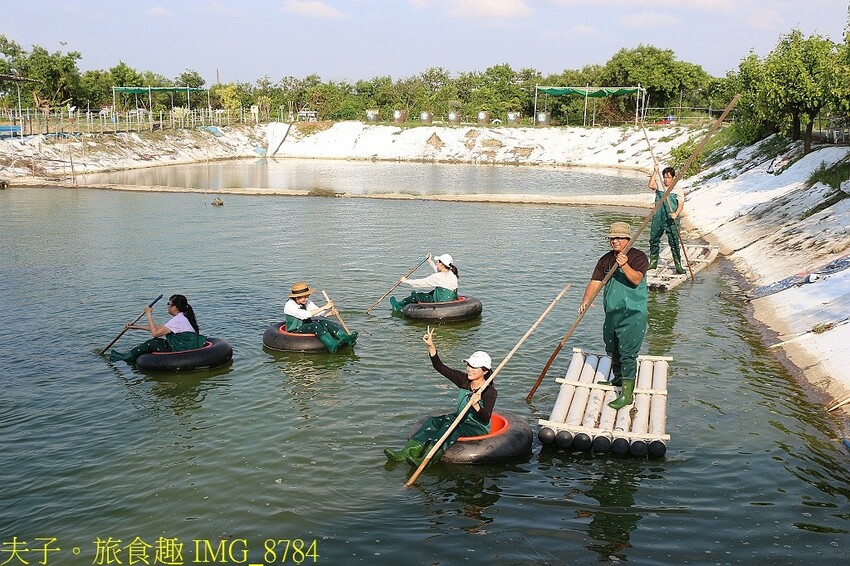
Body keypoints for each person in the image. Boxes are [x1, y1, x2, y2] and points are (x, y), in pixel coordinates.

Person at [384, 326, 497, 468]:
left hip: (476, 426)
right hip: (459, 418)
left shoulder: (489, 392)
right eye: (468, 365)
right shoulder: (463, 380)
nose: (469, 369)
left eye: (474, 367)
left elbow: (486, 417)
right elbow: (440, 367)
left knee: (452, 427)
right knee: (433, 422)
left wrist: (475, 405)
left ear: (485, 371)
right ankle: (406, 452)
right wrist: (431, 347)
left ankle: (428, 459)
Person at [578, 222, 648, 409]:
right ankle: (617, 379)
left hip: (633, 313)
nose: (615, 241)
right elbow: (595, 282)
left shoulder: (638, 257)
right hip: (612, 311)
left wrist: (624, 265)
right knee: (612, 346)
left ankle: (627, 394)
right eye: (612, 238)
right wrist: (586, 299)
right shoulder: (605, 260)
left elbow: (636, 280)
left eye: (619, 238)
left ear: (628, 239)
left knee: (628, 352)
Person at [110, 294, 206, 364]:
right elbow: (160, 328)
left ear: (175, 307)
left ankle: (127, 358)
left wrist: (148, 314)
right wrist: (135, 327)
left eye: (169, 304)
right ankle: (127, 355)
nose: (167, 306)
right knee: (157, 341)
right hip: (181, 346)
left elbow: (155, 333)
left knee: (152, 342)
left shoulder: (178, 320)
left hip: (182, 350)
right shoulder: (181, 318)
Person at [284, 281, 357, 353]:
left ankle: (345, 337)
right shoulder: (289, 306)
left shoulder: (306, 301)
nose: (307, 299)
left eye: (307, 296)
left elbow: (316, 311)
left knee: (324, 322)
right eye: (304, 297)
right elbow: (305, 315)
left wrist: (329, 313)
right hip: (295, 329)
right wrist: (324, 307)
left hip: (305, 324)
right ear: (297, 298)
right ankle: (331, 345)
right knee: (315, 326)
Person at [648, 165, 686, 274]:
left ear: (673, 178)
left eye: (668, 177)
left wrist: (676, 213)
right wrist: (655, 172)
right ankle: (653, 262)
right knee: (654, 238)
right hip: (659, 216)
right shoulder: (660, 185)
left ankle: (678, 264)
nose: (666, 179)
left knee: (674, 240)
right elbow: (650, 185)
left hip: (671, 217)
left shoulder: (678, 189)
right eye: (664, 177)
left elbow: (681, 204)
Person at [390, 253, 459, 312]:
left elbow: (422, 282)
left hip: (441, 302)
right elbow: (438, 272)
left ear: (441, 265)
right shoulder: (452, 274)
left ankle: (398, 306)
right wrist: (430, 261)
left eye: (438, 262)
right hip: (450, 299)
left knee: (418, 296)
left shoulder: (438, 277)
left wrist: (406, 281)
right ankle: (417, 297)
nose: (436, 263)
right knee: (433, 291)